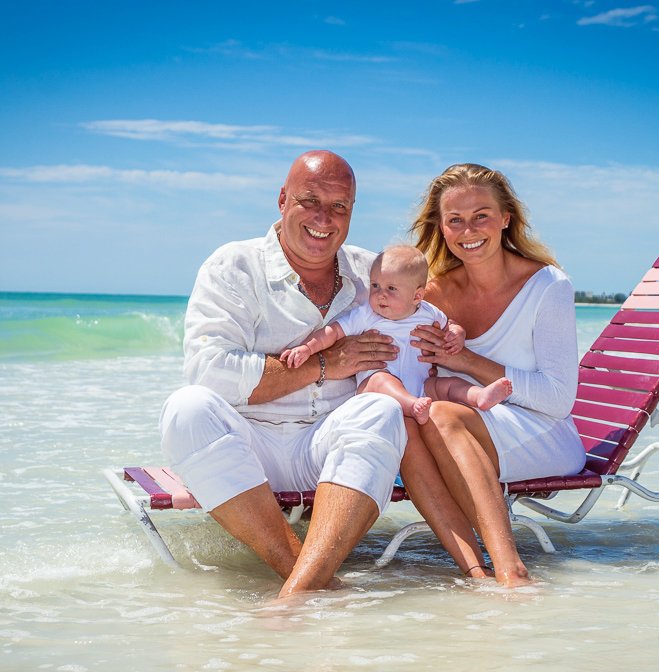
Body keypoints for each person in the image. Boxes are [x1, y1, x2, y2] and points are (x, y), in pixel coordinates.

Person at [158, 150, 407, 597]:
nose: (323, 218)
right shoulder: (233, 265)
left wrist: (452, 342)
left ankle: (297, 590)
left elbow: (424, 314)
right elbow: (208, 371)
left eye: (339, 207)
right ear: (282, 199)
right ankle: (308, 580)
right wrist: (327, 364)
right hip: (250, 448)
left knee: (382, 411)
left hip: (329, 446)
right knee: (187, 408)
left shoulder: (371, 273)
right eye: (309, 200)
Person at [399, 163, 587, 587]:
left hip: (544, 432)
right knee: (416, 419)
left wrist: (465, 360)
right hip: (462, 426)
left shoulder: (547, 286)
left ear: (506, 218)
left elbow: (558, 400)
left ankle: (510, 568)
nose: (469, 229)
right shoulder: (430, 293)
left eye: (481, 215)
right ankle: (474, 570)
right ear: (442, 228)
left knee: (440, 415)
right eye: (455, 220)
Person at [279, 244, 513, 424]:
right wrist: (307, 348)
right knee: (382, 379)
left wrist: (456, 334)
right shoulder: (367, 314)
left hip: (422, 386)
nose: (380, 295)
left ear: (417, 296)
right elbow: (332, 331)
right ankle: (411, 406)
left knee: (449, 384)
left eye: (391, 289)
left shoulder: (428, 312)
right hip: (376, 388)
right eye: (375, 286)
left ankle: (479, 396)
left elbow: (450, 324)